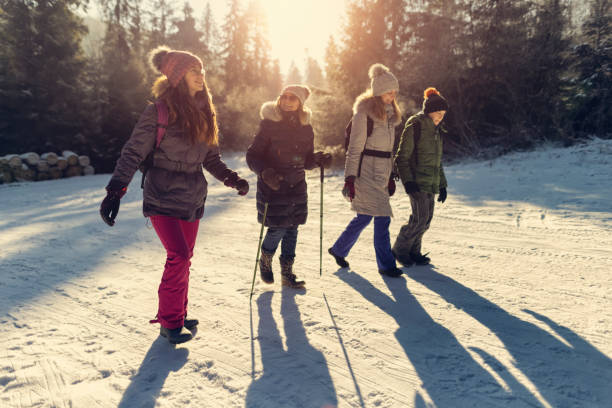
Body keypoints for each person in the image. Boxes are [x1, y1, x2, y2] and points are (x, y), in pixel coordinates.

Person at [99, 46, 249, 344]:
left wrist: (232, 179)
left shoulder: (205, 113)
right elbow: (132, 152)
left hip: (192, 196)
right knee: (178, 255)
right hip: (161, 195)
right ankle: (170, 323)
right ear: (179, 77)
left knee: (184, 258)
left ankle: (177, 314)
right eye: (193, 71)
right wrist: (115, 190)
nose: (200, 76)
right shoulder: (159, 111)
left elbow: (211, 159)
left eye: (201, 71)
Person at [246, 85, 331, 289]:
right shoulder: (269, 125)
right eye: (284, 96)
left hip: (297, 185)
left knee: (293, 229)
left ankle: (287, 273)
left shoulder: (306, 128)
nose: (287, 101)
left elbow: (306, 160)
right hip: (274, 185)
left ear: (301, 103)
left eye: (293, 98)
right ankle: (265, 260)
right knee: (278, 228)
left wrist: (318, 159)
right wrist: (266, 173)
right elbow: (252, 156)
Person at [328, 64, 403, 278]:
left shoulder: (390, 116)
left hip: (381, 173)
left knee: (364, 216)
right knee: (382, 217)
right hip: (366, 173)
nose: (392, 95)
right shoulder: (364, 115)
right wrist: (349, 178)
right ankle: (386, 265)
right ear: (378, 91)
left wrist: (390, 175)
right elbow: (354, 148)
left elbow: (388, 151)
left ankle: (339, 249)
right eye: (389, 91)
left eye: (394, 91)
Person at [392, 87, 449, 266]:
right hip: (416, 181)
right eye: (437, 113)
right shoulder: (415, 125)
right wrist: (408, 182)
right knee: (419, 219)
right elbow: (401, 157)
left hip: (430, 182)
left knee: (426, 220)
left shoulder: (437, 131)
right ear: (429, 111)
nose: (440, 117)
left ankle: (414, 251)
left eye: (443, 114)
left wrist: (442, 185)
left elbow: (437, 162)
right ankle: (400, 250)